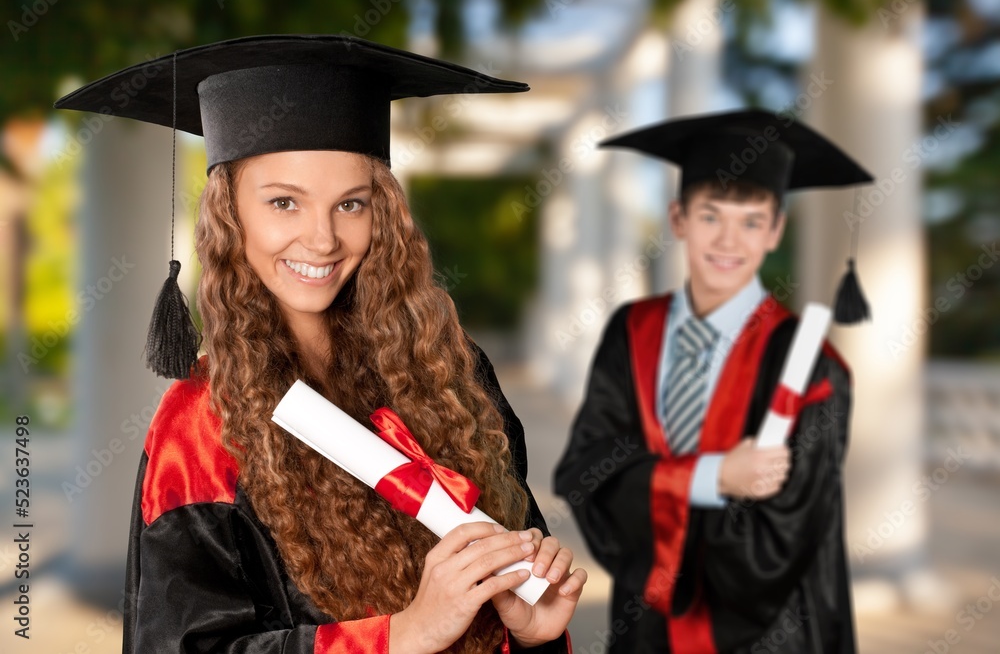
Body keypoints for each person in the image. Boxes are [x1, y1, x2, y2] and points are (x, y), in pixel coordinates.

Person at [56, 35, 586, 653]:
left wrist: (532, 633)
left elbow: (517, 589)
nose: (323, 238)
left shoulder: (452, 375)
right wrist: (403, 635)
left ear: (381, 214)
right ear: (231, 216)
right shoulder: (201, 426)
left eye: (351, 205)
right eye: (284, 202)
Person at [553, 109, 872, 653]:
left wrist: (666, 501)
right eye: (710, 216)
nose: (729, 240)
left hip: (769, 632)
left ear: (776, 230)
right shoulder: (631, 333)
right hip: (647, 626)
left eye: (751, 221)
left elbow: (789, 532)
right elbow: (587, 469)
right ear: (678, 218)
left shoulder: (812, 366)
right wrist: (714, 476)